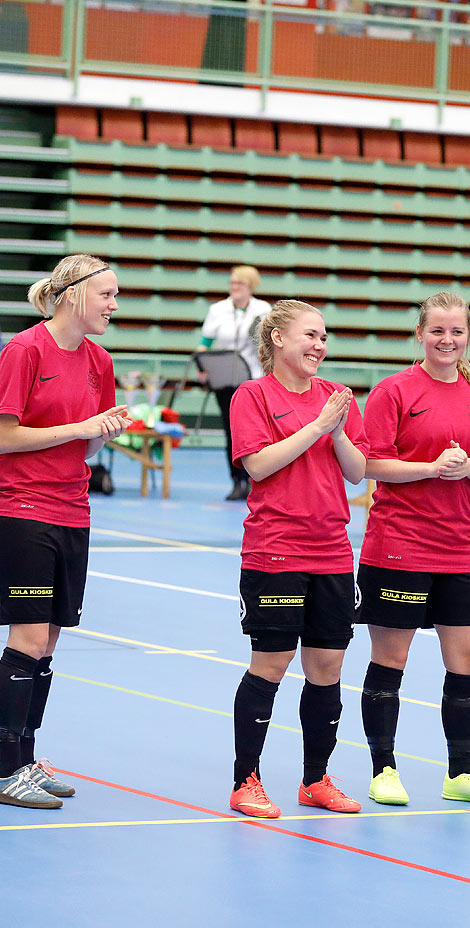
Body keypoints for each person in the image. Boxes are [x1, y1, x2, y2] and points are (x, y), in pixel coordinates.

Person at [0, 254, 127, 809]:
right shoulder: (25, 350)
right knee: (27, 637)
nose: (114, 305)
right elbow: (4, 438)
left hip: (73, 507)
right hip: (22, 507)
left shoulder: (100, 361)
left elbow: (84, 441)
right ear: (73, 295)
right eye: (106, 295)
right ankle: (4, 769)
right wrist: (81, 427)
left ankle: (25, 757)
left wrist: (100, 436)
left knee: (49, 641)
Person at [357, 292, 470, 808]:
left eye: (457, 332)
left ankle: (460, 772)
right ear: (420, 334)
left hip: (461, 545)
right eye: (438, 331)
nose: (448, 341)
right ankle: (384, 768)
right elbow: (370, 464)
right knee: (391, 657)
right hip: (399, 543)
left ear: (469, 336)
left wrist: (467, 468)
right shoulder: (393, 391)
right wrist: (428, 468)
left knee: (468, 658)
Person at [227, 300, 369, 819]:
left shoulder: (336, 399)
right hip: (276, 549)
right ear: (278, 340)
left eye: (324, 337)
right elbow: (259, 466)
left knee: (327, 665)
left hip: (332, 550)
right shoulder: (253, 395)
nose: (319, 346)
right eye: (310, 335)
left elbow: (357, 473)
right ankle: (246, 780)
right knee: (271, 663)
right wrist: (316, 428)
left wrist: (336, 430)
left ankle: (315, 779)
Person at [196, 266, 271, 501]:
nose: (234, 288)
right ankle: (236, 481)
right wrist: (202, 368)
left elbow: (268, 345)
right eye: (232, 283)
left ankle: (255, 480)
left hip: (254, 380)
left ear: (250, 286)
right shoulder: (217, 310)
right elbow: (204, 343)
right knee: (232, 433)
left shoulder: (263, 309)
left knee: (258, 433)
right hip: (225, 382)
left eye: (239, 284)